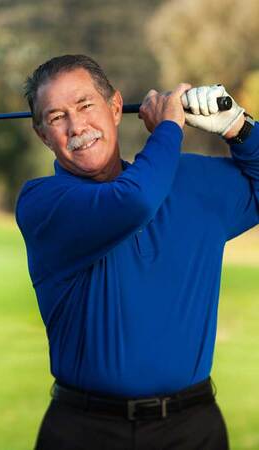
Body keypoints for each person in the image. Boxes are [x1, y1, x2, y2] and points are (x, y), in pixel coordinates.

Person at [15, 54, 258, 449]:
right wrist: (167, 128)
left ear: (115, 107)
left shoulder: (189, 182)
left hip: (192, 431)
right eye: (56, 117)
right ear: (42, 134)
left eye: (84, 105)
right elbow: (134, 201)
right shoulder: (43, 203)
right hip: (85, 432)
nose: (76, 126)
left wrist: (237, 127)